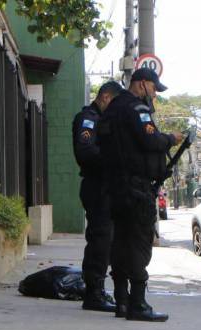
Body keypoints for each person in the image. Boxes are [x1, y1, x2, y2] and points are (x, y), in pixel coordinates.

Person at [97, 67, 183, 322]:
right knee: (138, 244)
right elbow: (151, 141)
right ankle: (138, 304)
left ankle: (121, 301)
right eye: (154, 89)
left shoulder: (112, 109)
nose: (154, 95)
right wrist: (170, 138)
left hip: (115, 187)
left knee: (120, 242)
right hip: (135, 188)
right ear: (143, 84)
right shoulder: (137, 109)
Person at [72, 81, 124, 312]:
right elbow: (85, 151)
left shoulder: (105, 121)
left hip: (106, 186)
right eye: (113, 103)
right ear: (104, 97)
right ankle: (93, 293)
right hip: (96, 185)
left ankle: (99, 290)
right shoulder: (89, 118)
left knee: (107, 240)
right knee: (100, 239)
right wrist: (113, 161)